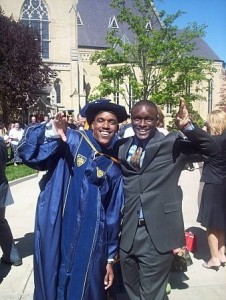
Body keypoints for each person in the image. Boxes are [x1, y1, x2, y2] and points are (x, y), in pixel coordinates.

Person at [17, 100, 129, 300]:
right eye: (100, 120)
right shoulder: (73, 141)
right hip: (59, 228)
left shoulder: (114, 167)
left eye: (111, 122)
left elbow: (112, 216)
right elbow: (32, 155)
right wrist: (52, 132)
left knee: (86, 286)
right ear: (91, 124)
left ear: (117, 127)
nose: (105, 126)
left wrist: (110, 258)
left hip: (92, 240)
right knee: (53, 276)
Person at [114, 98, 219, 300]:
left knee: (151, 293)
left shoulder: (173, 144)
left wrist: (187, 127)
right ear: (131, 119)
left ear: (157, 120)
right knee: (131, 289)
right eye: (137, 118)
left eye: (148, 119)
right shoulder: (122, 146)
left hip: (157, 232)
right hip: (128, 231)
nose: (142, 124)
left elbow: (213, 150)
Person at [197, 110, 226, 270]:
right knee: (221, 222)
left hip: (213, 185)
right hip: (224, 184)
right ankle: (222, 253)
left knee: (211, 224)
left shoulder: (212, 141)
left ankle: (214, 258)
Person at [0, 136, 22, 266]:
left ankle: (12, 255)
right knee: (1, 222)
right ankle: (12, 255)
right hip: (1, 183)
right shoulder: (1, 140)